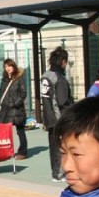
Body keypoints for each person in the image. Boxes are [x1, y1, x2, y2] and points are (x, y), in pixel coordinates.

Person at [41, 46, 73, 181]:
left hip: (48, 116)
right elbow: (62, 101)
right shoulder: (59, 79)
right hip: (59, 118)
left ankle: (55, 173)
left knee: (53, 146)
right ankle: (59, 173)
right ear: (63, 62)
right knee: (61, 146)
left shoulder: (46, 76)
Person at [0, 58, 29, 159]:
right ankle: (5, 151)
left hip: (16, 110)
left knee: (20, 131)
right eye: (6, 66)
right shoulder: (4, 79)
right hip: (5, 109)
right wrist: (0, 101)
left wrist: (15, 103)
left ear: (14, 66)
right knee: (4, 131)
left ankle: (23, 152)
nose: (8, 68)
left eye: (9, 66)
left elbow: (23, 93)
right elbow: (1, 91)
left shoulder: (19, 78)